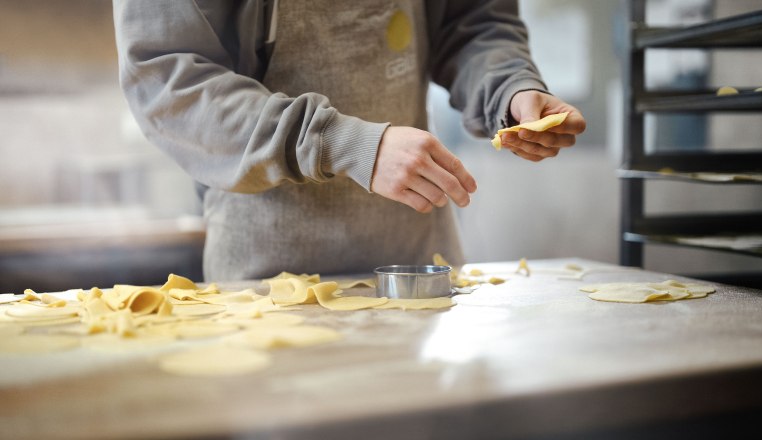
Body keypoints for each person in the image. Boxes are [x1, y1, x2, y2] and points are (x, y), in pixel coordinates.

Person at [113, 0, 586, 281]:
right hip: (264, 276)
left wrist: (510, 88)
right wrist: (344, 144)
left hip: (417, 268)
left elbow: (474, 22)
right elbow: (168, 79)